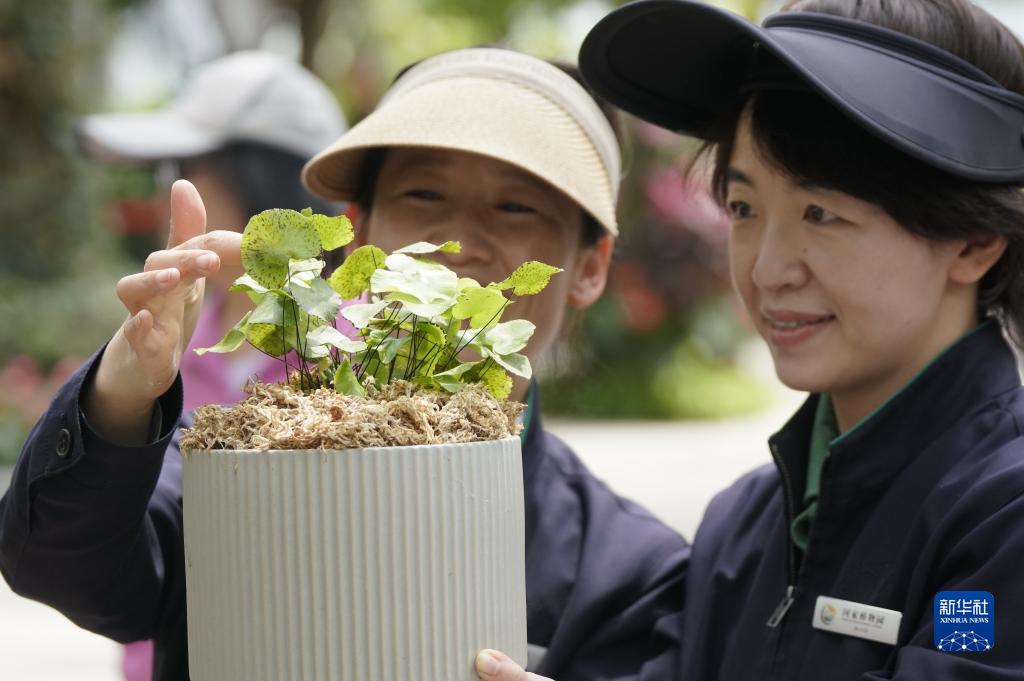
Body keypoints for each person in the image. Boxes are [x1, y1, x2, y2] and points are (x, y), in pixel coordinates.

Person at [0, 47, 688, 681]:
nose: (459, 241)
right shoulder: (243, 461)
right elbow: (61, 565)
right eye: (424, 195)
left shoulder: (632, 576)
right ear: (359, 230)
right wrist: (120, 400)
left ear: (591, 264)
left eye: (515, 205)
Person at [477, 0, 1024, 679]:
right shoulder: (741, 527)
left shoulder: (1004, 517)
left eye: (820, 213)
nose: (767, 270)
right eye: (743, 208)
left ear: (974, 240)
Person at [77, 49, 347, 681]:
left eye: (184, 170)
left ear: (261, 181)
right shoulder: (171, 338)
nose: (163, 193)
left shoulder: (353, 346)